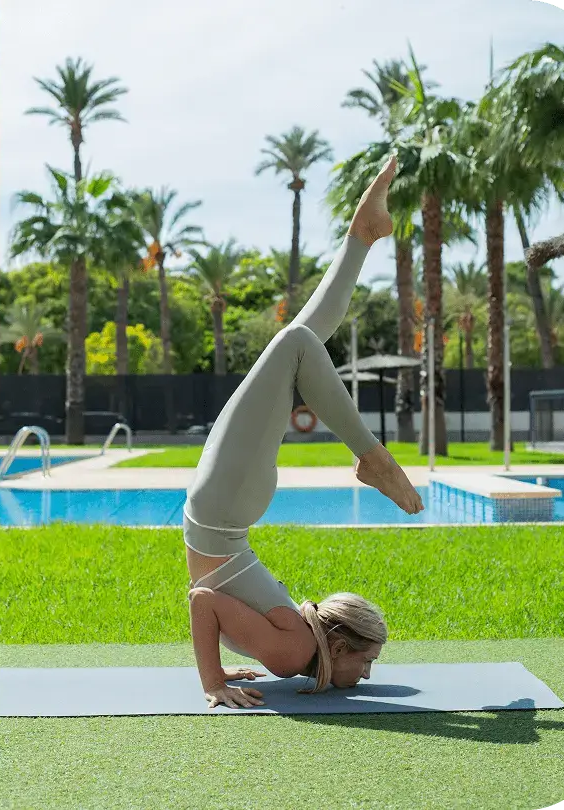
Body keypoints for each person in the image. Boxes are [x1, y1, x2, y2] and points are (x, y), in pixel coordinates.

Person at [184, 155, 425, 710]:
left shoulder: (293, 651)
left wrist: (217, 671)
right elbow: (204, 600)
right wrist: (213, 678)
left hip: (223, 507)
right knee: (298, 342)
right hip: (220, 509)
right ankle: (373, 456)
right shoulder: (294, 652)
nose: (366, 675)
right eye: (366, 661)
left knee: (298, 341)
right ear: (336, 646)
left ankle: (363, 236)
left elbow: (205, 600)